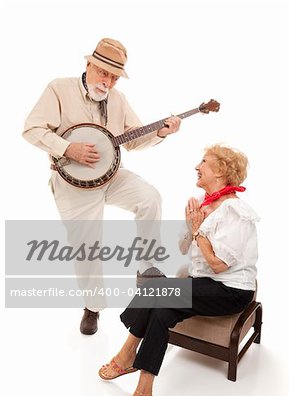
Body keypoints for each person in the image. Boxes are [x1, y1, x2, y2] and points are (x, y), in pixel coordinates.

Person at [22, 38, 181, 335]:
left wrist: (160, 132)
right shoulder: (59, 89)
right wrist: (67, 149)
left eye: (114, 77)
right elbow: (31, 129)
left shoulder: (118, 100)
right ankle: (93, 307)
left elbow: (132, 138)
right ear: (88, 65)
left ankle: (147, 271)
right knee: (86, 248)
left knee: (150, 197)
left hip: (111, 176)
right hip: (73, 184)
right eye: (103, 73)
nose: (107, 81)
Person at [98, 144, 259, 396]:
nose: (197, 167)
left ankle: (126, 356)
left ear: (221, 171)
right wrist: (190, 226)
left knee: (154, 290)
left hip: (230, 290)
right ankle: (143, 394)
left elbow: (219, 265)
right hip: (202, 283)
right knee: (161, 310)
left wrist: (198, 230)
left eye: (204, 162)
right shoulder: (202, 202)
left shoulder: (235, 211)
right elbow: (185, 248)